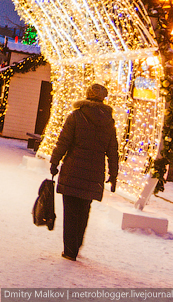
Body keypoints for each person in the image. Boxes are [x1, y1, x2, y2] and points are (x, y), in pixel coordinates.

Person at [49, 83, 119, 262]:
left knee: (70, 210)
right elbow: (113, 150)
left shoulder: (76, 116)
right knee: (84, 210)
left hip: (72, 169)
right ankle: (77, 244)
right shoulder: (109, 122)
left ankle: (69, 250)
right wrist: (113, 173)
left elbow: (63, 141)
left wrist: (55, 161)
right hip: (94, 174)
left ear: (87, 95)